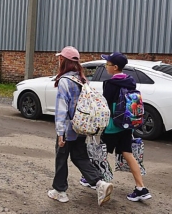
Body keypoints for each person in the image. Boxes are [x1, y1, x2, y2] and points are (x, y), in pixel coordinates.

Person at [48, 46, 113, 206]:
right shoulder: (82, 79)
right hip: (82, 127)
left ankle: (60, 191)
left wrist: (60, 133)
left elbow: (62, 110)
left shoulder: (64, 81)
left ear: (62, 60)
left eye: (60, 58)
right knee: (80, 157)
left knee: (61, 158)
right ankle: (100, 183)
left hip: (69, 129)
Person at [99, 52, 152, 202]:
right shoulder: (130, 81)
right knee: (127, 153)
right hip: (127, 124)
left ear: (115, 67)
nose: (106, 67)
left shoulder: (110, 84)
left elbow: (105, 105)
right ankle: (141, 188)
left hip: (113, 125)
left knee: (100, 152)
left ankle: (94, 180)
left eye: (107, 64)